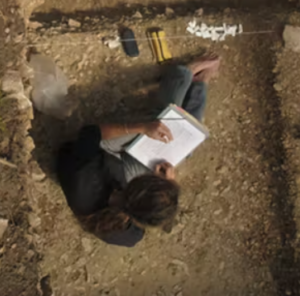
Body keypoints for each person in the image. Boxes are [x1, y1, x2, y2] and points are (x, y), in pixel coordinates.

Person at [55, 53, 220, 247]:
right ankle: (200, 83)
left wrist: (142, 127)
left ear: (138, 180)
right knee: (182, 149)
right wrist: (167, 183)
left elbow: (90, 133)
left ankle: (184, 75)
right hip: (112, 169)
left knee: (159, 121)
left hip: (95, 152)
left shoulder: (85, 176)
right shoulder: (130, 234)